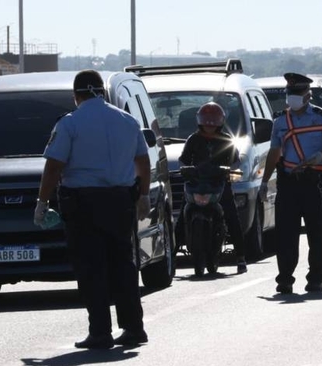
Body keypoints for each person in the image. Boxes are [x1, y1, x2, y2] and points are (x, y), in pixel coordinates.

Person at [34, 70, 150, 349]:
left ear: (76, 96)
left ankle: (100, 332)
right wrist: (144, 195)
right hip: (121, 200)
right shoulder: (126, 119)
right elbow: (143, 161)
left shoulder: (71, 123)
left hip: (84, 203)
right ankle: (134, 328)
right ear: (101, 91)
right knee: (123, 264)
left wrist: (42, 202)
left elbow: (54, 166)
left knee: (91, 267)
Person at [259, 73, 322, 294]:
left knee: (316, 232)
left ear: (307, 95)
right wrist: (265, 181)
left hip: (315, 182)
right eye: (290, 94)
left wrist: (320, 155)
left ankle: (316, 279)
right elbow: (275, 152)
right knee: (285, 234)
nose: (292, 98)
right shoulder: (280, 122)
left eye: (296, 94)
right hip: (288, 183)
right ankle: (285, 278)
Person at [178, 101, 248, 274]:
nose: (209, 127)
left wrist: (229, 169)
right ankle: (172, 255)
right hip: (197, 183)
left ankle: (241, 257)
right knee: (181, 217)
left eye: (213, 123)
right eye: (206, 123)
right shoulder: (193, 139)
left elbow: (236, 160)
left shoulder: (226, 139)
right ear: (200, 122)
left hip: (219, 184)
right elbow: (183, 159)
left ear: (220, 123)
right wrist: (185, 170)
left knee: (232, 216)